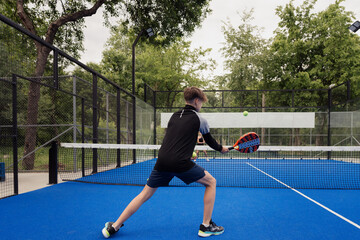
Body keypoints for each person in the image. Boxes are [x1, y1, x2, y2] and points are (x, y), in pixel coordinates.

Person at [102, 86, 229, 238]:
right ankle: (206, 226)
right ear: (196, 101)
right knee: (211, 182)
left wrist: (186, 154)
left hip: (162, 161)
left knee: (144, 194)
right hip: (180, 163)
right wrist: (222, 148)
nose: (201, 105)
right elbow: (210, 142)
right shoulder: (200, 119)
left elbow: (176, 140)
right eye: (201, 102)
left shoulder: (174, 116)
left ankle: (114, 226)